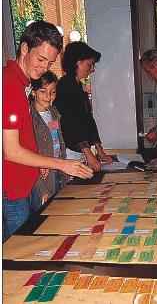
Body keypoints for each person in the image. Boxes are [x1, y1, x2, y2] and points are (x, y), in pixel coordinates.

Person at [3, 20, 93, 241]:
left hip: (24, 183)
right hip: (13, 190)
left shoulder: (21, 82)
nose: (44, 67)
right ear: (24, 48)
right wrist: (60, 164)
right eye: (40, 58)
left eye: (49, 62)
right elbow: (10, 151)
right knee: (16, 254)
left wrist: (41, 162)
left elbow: (24, 132)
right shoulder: (10, 84)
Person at [54, 41, 112, 171]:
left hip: (80, 150)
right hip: (71, 151)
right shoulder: (65, 86)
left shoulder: (78, 86)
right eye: (90, 65)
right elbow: (71, 123)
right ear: (78, 62)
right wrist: (88, 153)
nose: (92, 69)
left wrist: (98, 148)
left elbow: (88, 119)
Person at [29, 70, 69, 211]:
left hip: (58, 172)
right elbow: (30, 156)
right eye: (42, 91)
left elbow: (60, 143)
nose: (48, 96)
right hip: (42, 179)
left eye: (52, 92)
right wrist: (40, 188)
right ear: (33, 92)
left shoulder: (54, 111)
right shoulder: (30, 117)